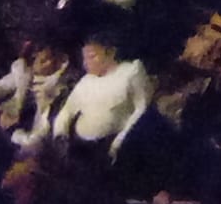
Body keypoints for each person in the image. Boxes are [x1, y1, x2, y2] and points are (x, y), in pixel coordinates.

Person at [51, 27, 154, 161]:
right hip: (81, 147)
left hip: (113, 144)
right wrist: (60, 133)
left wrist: (120, 141)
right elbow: (68, 110)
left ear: (110, 53)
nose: (86, 63)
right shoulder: (86, 81)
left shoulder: (130, 71)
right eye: (85, 58)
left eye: (92, 57)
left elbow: (141, 107)